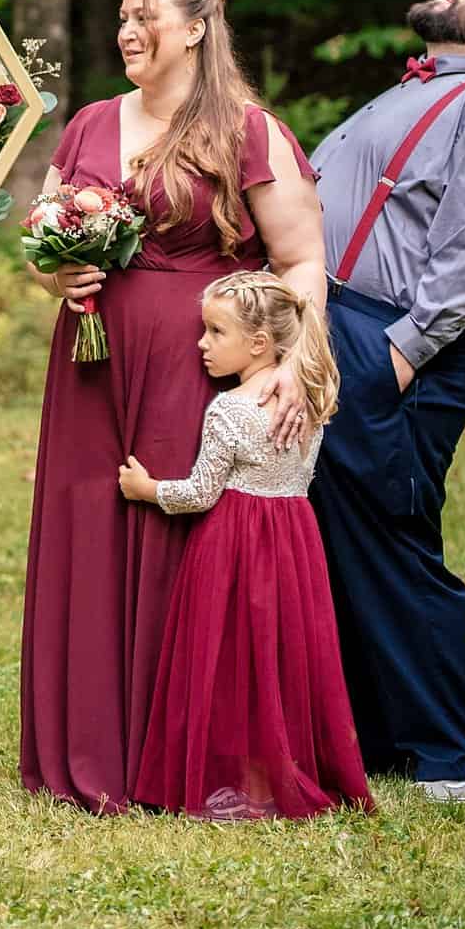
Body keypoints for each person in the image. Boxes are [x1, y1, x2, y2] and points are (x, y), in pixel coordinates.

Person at [21, 0, 325, 814]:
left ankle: (179, 746)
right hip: (90, 363)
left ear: (194, 28)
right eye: (121, 15)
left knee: (177, 529)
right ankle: (89, 743)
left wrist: (288, 368)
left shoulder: (248, 130)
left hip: (201, 363)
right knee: (90, 526)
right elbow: (41, 232)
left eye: (143, 15)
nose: (126, 30)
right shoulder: (86, 123)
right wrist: (57, 275)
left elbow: (300, 260)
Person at [305, 0, 465, 801]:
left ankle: (462, 759)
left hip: (390, 343)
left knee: (391, 541)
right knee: (343, 540)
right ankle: (387, 740)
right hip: (342, 324)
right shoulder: (425, 89)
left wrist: (393, 357)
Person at [118, 271, 372, 820]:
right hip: (294, 542)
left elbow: (200, 493)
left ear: (259, 343)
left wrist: (147, 489)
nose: (201, 344)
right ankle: (275, 768)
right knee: (280, 655)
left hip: (232, 545)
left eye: (215, 332)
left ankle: (231, 775)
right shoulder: (306, 402)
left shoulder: (229, 409)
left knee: (229, 657)